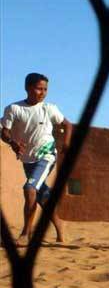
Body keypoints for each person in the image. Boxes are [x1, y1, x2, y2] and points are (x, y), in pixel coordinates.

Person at [1, 73, 72, 245]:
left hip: (47, 154)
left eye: (45, 89)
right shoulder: (14, 109)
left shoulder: (49, 108)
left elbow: (67, 124)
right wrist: (12, 142)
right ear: (27, 88)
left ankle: (26, 233)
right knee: (41, 195)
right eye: (39, 88)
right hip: (27, 158)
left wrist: (67, 144)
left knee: (30, 188)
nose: (43, 92)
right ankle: (59, 225)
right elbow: (4, 131)